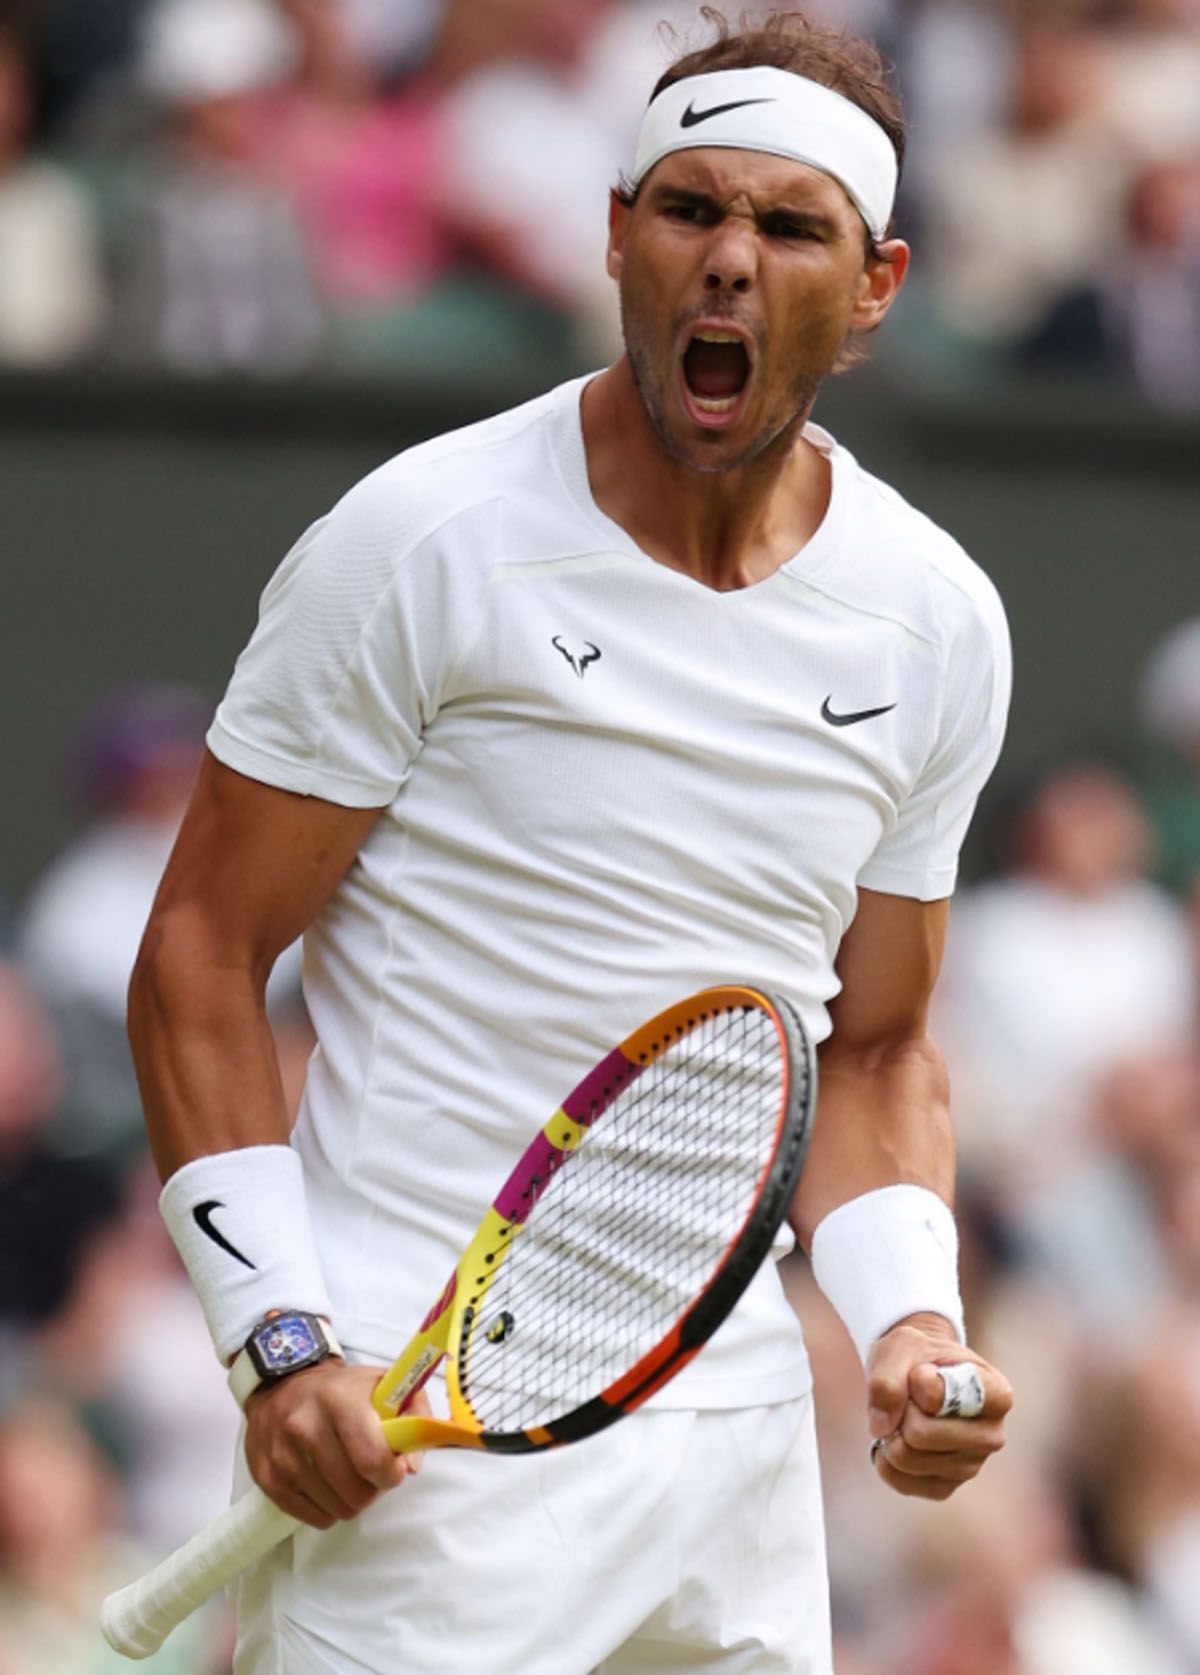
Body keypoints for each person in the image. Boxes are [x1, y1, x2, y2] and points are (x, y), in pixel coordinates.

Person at [129, 10, 1014, 1672]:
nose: (731, 263)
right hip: (407, 1437)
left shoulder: (936, 620)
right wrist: (275, 1339)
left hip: (736, 1460)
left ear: (878, 284)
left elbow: (878, 1045)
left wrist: (909, 1321)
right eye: (689, 211)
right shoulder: (422, 542)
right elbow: (199, 956)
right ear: (618, 236)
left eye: (790, 225)